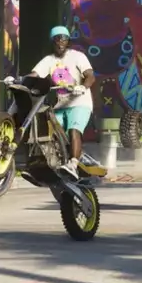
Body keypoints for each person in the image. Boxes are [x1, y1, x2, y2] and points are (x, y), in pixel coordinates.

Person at [29, 26, 96, 177]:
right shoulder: (49, 60)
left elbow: (90, 76)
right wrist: (18, 80)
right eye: (57, 39)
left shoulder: (78, 56)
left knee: (73, 130)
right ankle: (53, 163)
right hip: (60, 105)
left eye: (64, 39)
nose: (60, 42)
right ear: (52, 42)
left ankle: (73, 164)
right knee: (50, 133)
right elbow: (34, 75)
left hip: (79, 102)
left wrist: (83, 87)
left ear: (68, 42)